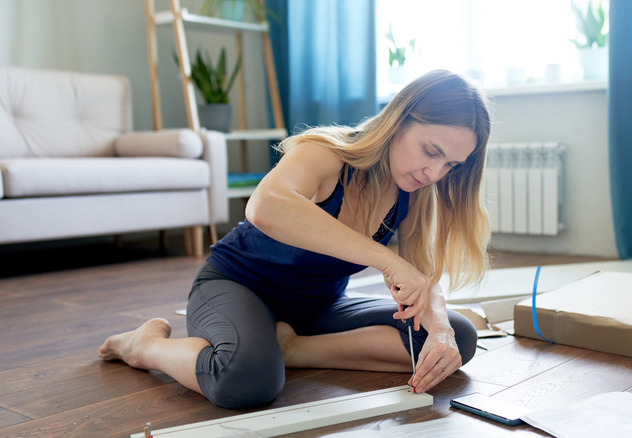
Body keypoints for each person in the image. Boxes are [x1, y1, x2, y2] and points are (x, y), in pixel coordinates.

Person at [99, 69, 493, 409]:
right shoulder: (327, 152)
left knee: (458, 338)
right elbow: (265, 206)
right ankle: (143, 346)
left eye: (450, 165)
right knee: (246, 381)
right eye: (430, 151)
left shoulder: (414, 192)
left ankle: (291, 349)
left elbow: (422, 277)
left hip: (318, 307)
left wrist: (438, 325)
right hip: (237, 286)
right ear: (399, 118)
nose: (435, 173)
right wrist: (387, 260)